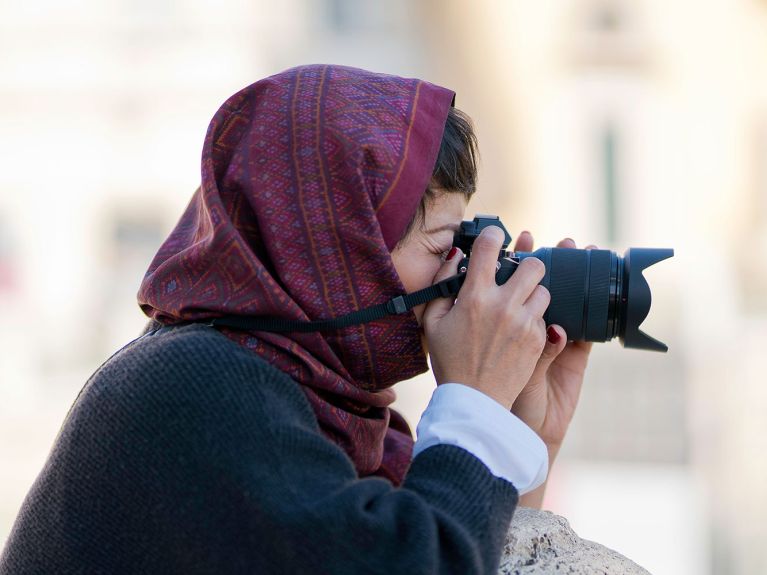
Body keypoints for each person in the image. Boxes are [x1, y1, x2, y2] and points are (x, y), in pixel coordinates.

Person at [0, 65, 595, 574]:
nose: (463, 275)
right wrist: (475, 408)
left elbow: (461, 550)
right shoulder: (197, 389)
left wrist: (525, 435)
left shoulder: (318, 409)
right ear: (335, 248)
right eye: (444, 245)